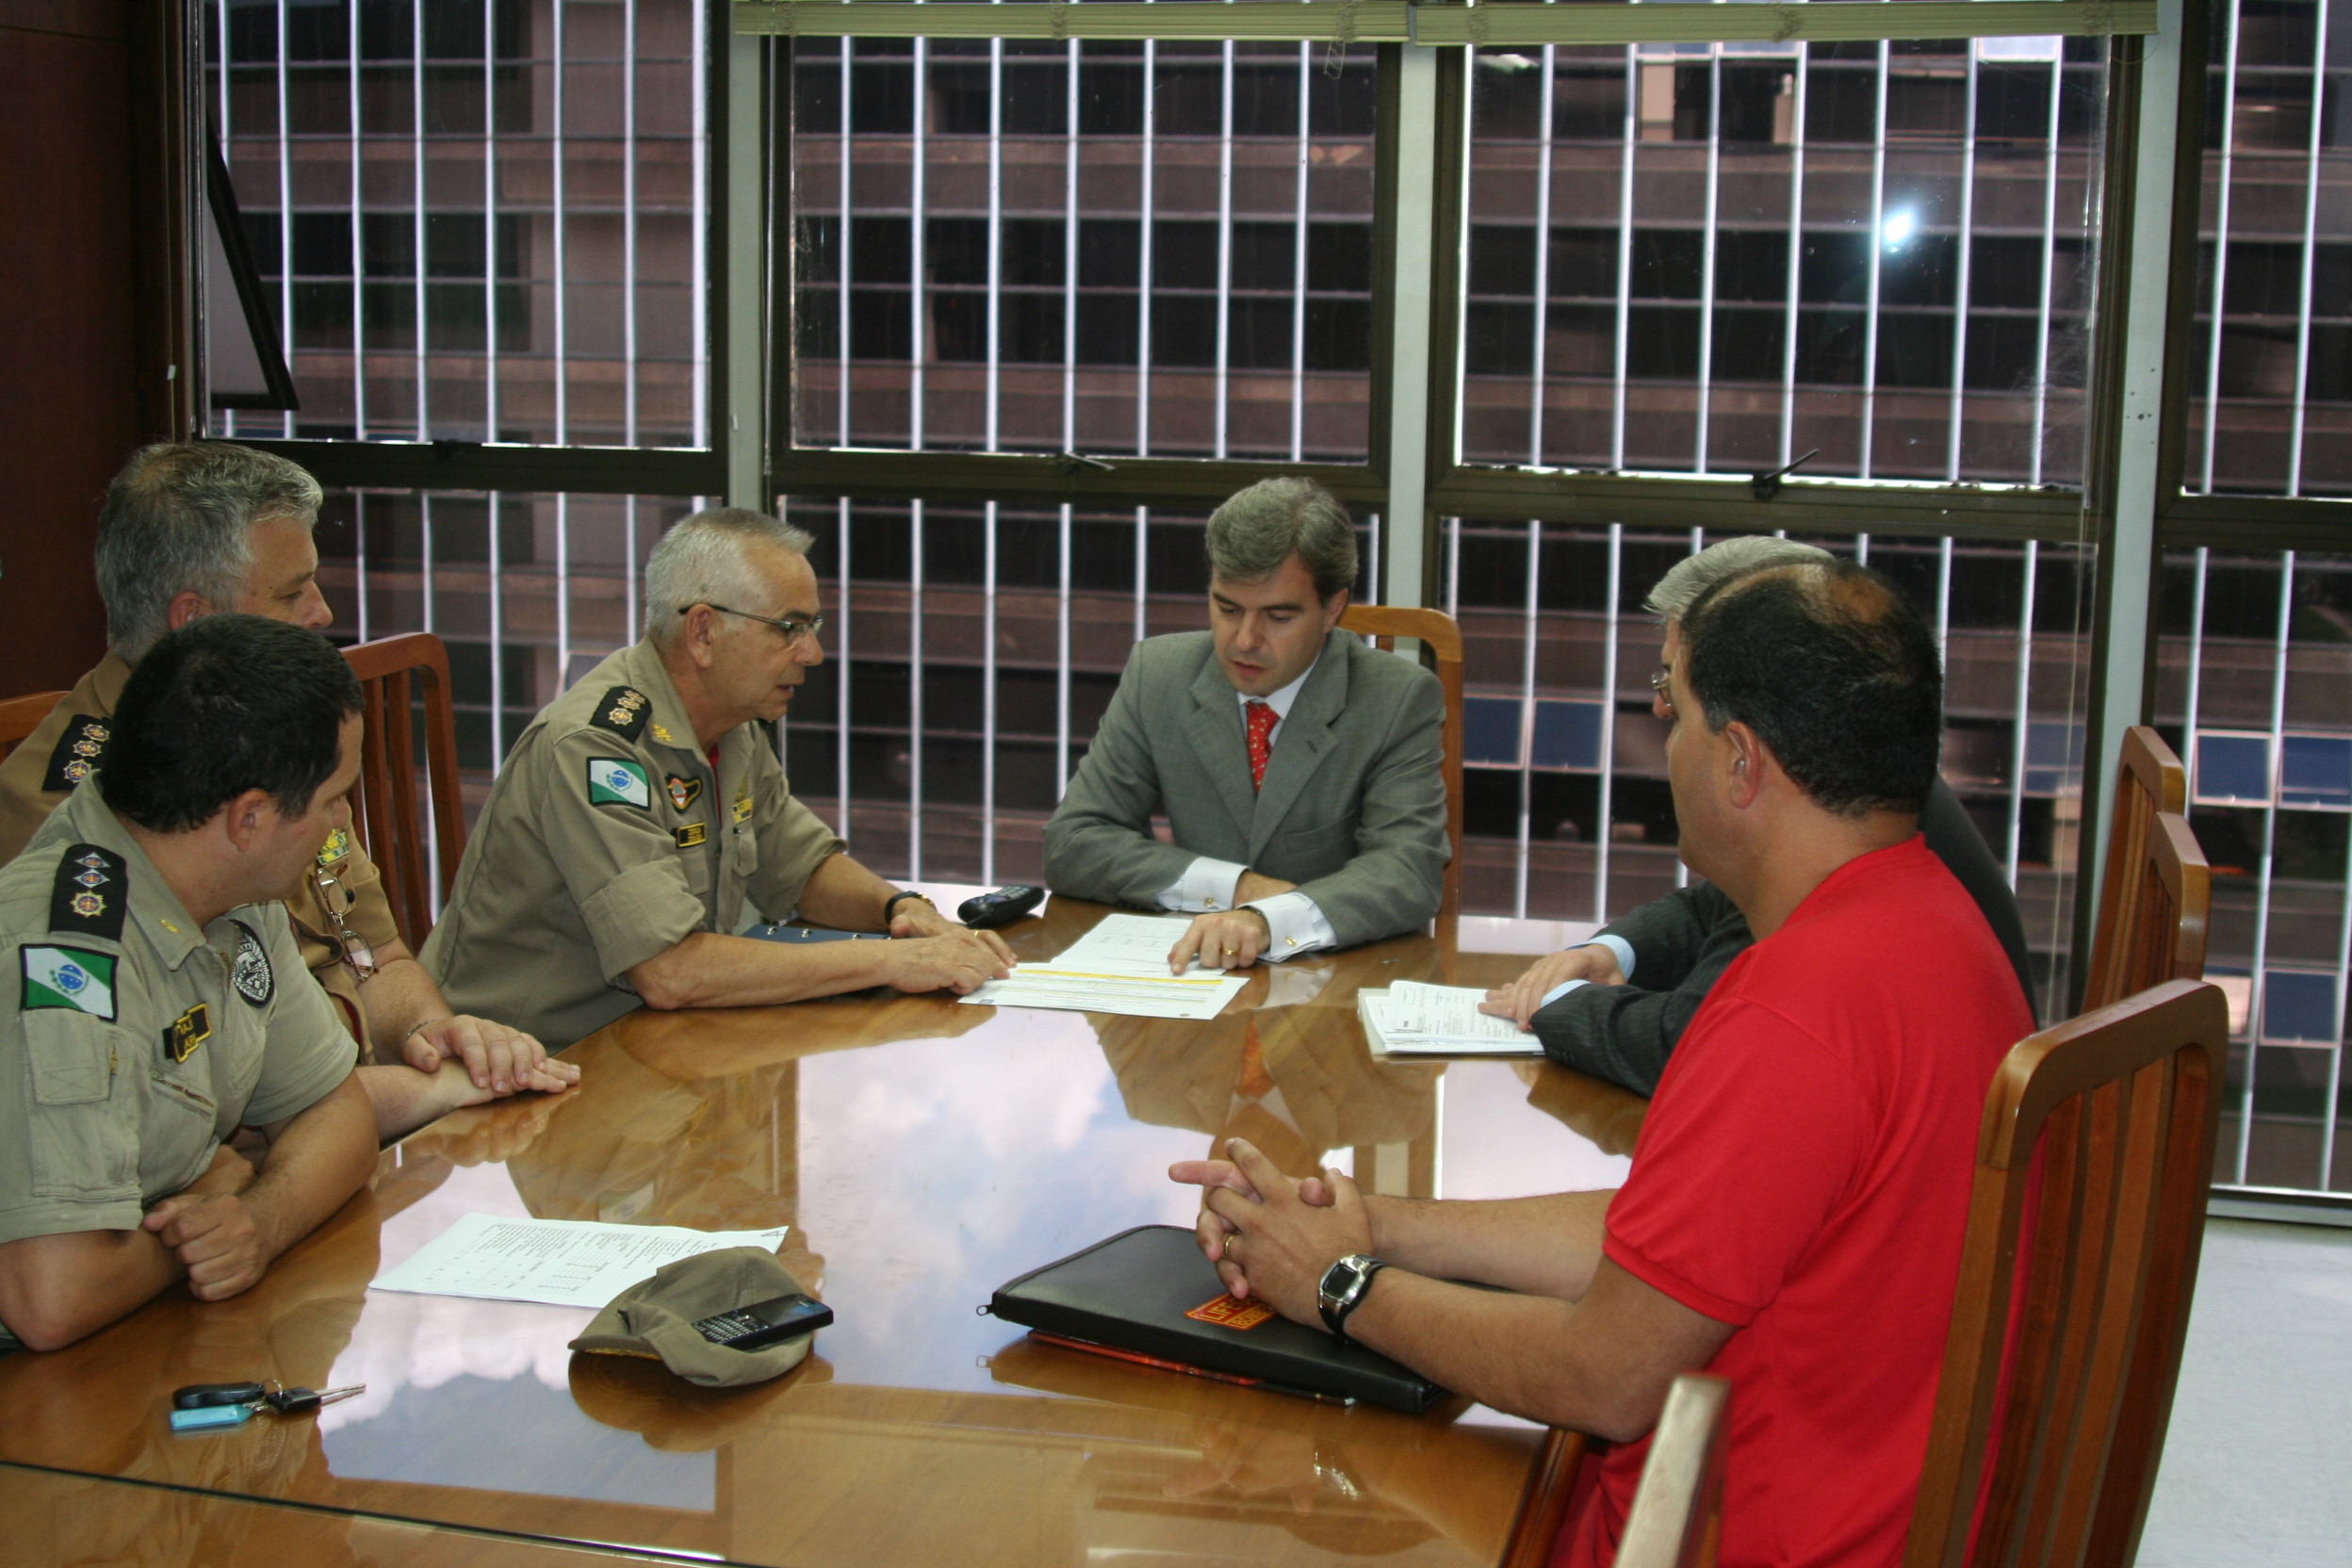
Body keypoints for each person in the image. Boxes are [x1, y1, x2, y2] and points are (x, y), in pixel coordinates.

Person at [1172, 560, 2035, 1567]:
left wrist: (1336, 1282)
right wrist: (1384, 1225)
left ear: (1741, 762)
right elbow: (1669, 1247)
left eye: (1678, 709)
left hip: (1714, 1530)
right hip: (1854, 1489)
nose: (1663, 737)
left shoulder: (1789, 1015)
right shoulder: (1936, 928)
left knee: (1267, 1514)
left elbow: (1603, 1376)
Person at [0, 616, 561, 1354]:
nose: (342, 821)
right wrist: (204, 1214)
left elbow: (337, 1113)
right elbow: (53, 1297)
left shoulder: (230, 885)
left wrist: (256, 1217)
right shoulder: (66, 959)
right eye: (334, 799)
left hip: (154, 1323)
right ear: (250, 818)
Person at [0, 442, 562, 1100]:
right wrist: (414, 1092)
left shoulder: (279, 739)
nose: (322, 613)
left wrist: (430, 1033)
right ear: (195, 623)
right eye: (292, 592)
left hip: (356, 1097)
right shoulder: (91, 815)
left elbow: (373, 954)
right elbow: (195, 1103)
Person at [420, 508, 1017, 1050]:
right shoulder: (597, 749)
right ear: (703, 632)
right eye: (789, 627)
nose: (812, 653)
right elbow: (671, 971)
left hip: (648, 1042)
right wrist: (892, 963)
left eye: (812, 626)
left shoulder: (729, 723)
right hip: (517, 1064)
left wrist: (904, 911)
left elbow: (799, 866)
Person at [1479, 536, 2036, 1095]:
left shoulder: (1823, 855)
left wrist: (1554, 1006)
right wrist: (1610, 951)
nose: (1660, 706)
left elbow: (1689, 1045)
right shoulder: (1863, 801)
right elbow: (1710, 910)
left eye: (1678, 683)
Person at [1041, 478, 1449, 973]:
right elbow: (1074, 843)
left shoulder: (1396, 698)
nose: (1245, 640)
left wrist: (1267, 919)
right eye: (1227, 609)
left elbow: (1407, 871)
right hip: (1189, 974)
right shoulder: (1159, 674)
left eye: (1278, 617)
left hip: (1329, 979)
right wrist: (1237, 888)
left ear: (1332, 609)